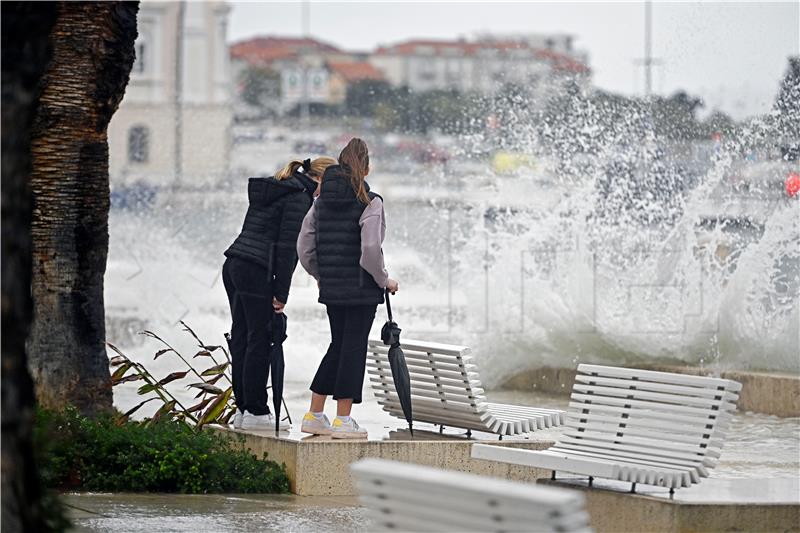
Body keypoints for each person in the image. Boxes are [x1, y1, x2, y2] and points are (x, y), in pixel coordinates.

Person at [223, 156, 336, 430]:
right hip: (256, 269)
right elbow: (288, 249)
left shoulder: (277, 187)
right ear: (319, 179)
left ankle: (244, 409)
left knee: (242, 337)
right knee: (260, 338)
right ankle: (257, 412)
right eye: (330, 183)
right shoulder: (299, 198)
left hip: (235, 263)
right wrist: (281, 293)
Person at [297, 138, 399, 439]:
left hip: (332, 286)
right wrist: (384, 280)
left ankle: (315, 414)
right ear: (365, 169)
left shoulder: (320, 201)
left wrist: (321, 273)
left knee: (338, 345)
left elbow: (304, 246)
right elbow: (370, 249)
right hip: (361, 289)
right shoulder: (370, 201)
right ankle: (343, 420)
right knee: (352, 349)